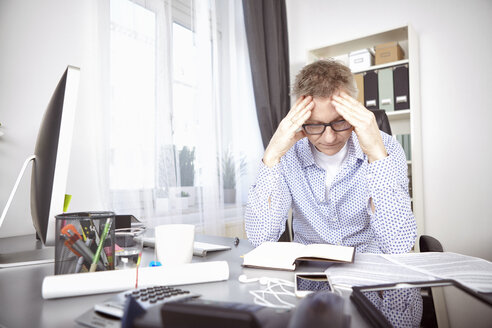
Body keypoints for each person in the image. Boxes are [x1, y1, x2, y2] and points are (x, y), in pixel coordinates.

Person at [245, 60, 416, 254]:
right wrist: (272, 155)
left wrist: (377, 155)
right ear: (300, 119)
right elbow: (260, 239)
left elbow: (399, 245)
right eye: (315, 125)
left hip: (368, 269)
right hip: (311, 275)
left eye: (339, 122)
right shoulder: (287, 155)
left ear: (355, 111)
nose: (329, 137)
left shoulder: (387, 148)